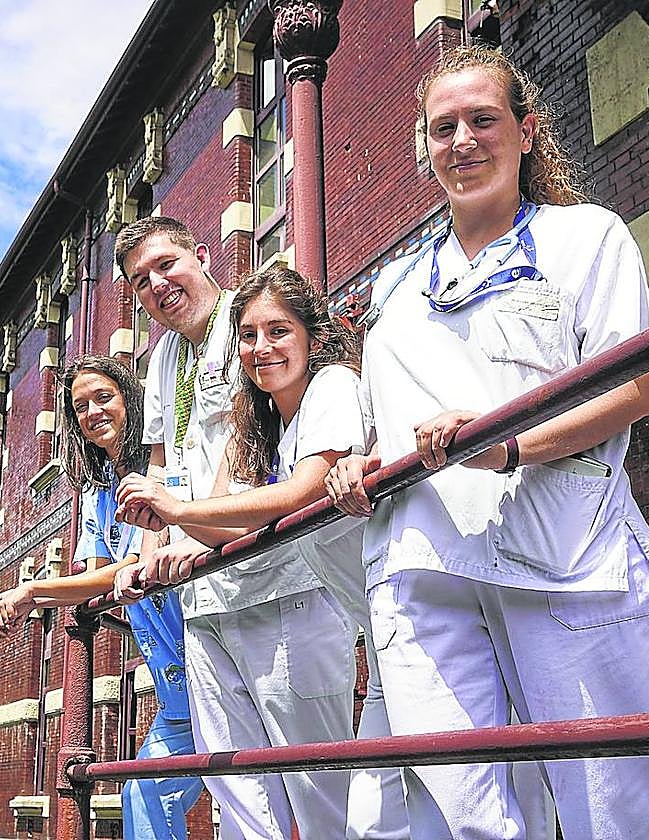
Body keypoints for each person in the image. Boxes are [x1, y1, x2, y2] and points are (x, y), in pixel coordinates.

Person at [325, 45, 649, 840]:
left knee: (608, 808)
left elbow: (637, 387)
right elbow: (394, 420)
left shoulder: (587, 237)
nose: (462, 141)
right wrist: (361, 462)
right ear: (425, 147)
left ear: (526, 131)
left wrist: (506, 448)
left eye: (483, 120)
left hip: (564, 556)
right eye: (442, 127)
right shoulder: (397, 288)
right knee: (463, 813)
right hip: (425, 564)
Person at [116, 264, 410, 840]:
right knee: (338, 802)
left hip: (398, 609)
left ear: (312, 335)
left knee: (356, 799)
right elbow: (227, 517)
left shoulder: (331, 388)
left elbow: (300, 494)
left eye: (277, 331)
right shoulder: (258, 421)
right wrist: (168, 539)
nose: (259, 347)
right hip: (371, 622)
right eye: (247, 336)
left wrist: (178, 512)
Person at [0, 355, 203, 840]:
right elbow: (99, 575)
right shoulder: (97, 493)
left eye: (104, 398)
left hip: (214, 661)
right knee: (143, 794)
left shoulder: (164, 465)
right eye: (80, 407)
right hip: (176, 689)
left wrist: (33, 592)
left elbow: (134, 566)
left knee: (258, 792)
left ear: (130, 399)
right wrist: (37, 593)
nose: (93, 413)